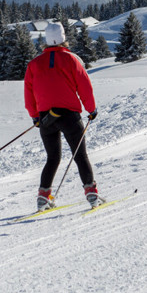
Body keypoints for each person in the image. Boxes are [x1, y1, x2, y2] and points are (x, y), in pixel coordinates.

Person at [24, 21, 104, 210]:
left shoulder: (34, 64)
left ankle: (43, 198)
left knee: (52, 158)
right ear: (63, 38)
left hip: (46, 118)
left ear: (46, 40)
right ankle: (92, 195)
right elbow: (84, 87)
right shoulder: (71, 60)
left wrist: (35, 116)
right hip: (69, 116)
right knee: (80, 155)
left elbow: (28, 93)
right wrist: (91, 109)